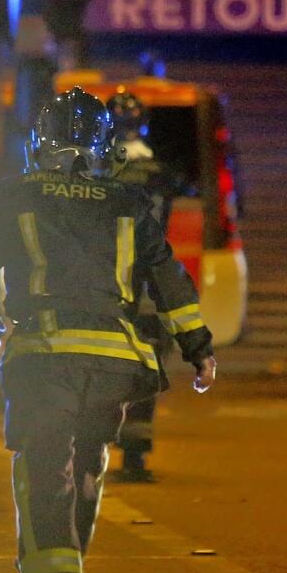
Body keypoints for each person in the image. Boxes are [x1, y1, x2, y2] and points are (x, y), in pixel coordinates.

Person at [0, 88, 218, 573]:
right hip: (115, 364)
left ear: (38, 143)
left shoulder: (14, 194)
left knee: (44, 465)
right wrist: (199, 347)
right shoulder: (128, 202)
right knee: (88, 462)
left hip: (44, 357)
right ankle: (66, 569)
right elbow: (168, 278)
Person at [104, 89, 190, 482]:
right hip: (151, 285)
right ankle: (135, 458)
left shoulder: (99, 168)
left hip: (109, 284)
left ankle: (92, 452)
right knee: (146, 369)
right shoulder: (160, 169)